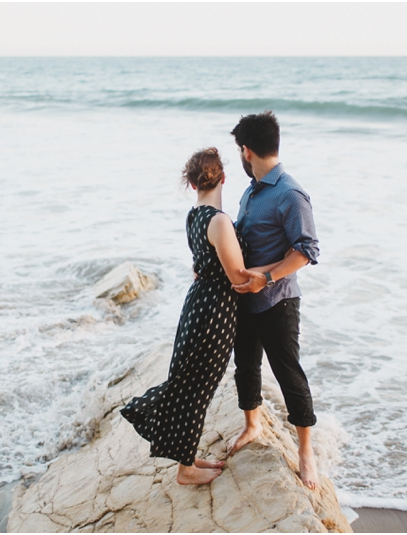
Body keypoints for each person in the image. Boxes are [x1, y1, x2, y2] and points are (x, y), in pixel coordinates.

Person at [120, 147, 285, 485]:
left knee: (191, 383)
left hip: (198, 305)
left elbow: (203, 266)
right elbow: (238, 278)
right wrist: (281, 265)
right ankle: (185, 470)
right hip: (214, 312)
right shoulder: (219, 220)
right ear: (223, 178)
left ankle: (185, 456)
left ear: (193, 184)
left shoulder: (193, 217)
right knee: (196, 388)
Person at [226, 111, 321, 490]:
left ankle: (305, 452)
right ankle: (252, 425)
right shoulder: (251, 191)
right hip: (245, 302)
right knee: (245, 366)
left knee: (288, 374)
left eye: (239, 151)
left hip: (278, 301)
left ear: (246, 151)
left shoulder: (289, 194)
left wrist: (265, 277)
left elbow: (307, 251)